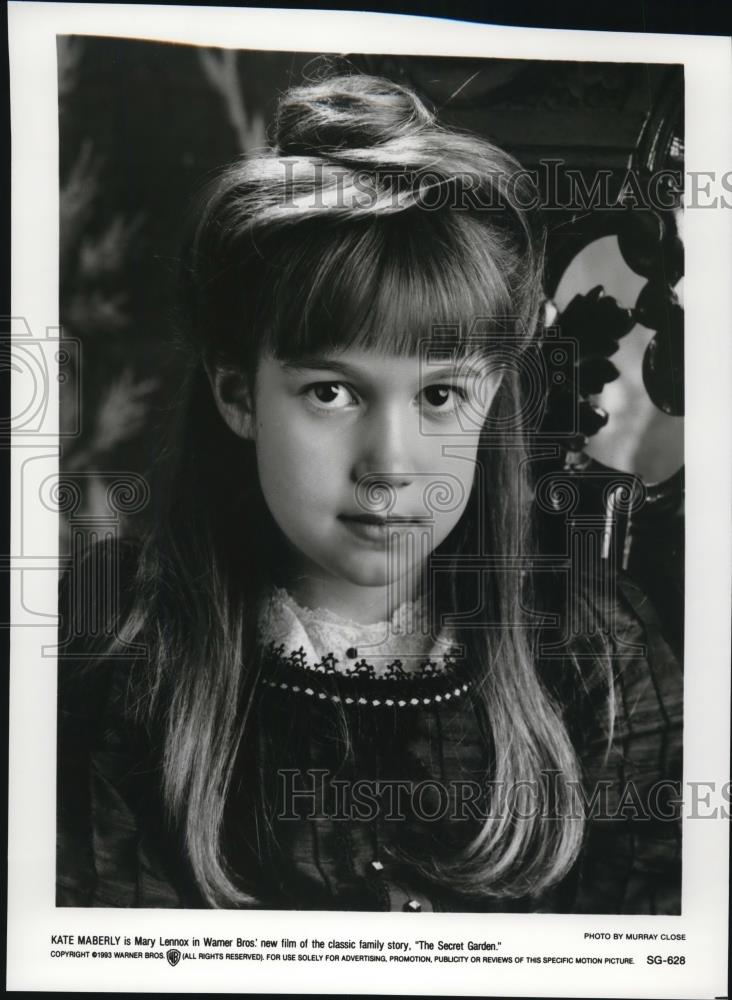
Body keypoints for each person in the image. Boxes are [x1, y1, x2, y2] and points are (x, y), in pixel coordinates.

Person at [56, 72, 682, 913]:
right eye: (332, 393)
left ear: (491, 394)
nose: (390, 465)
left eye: (438, 395)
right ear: (239, 394)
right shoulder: (121, 637)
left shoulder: (590, 653)